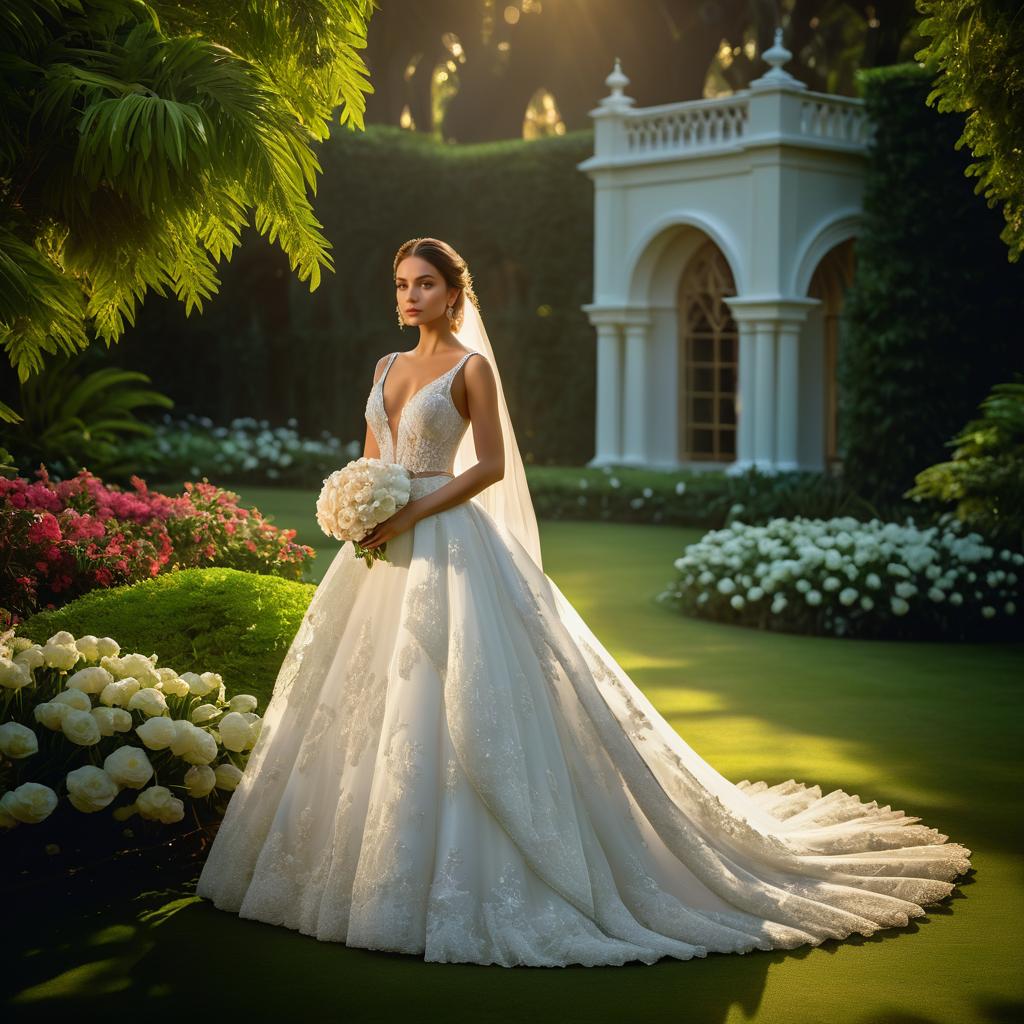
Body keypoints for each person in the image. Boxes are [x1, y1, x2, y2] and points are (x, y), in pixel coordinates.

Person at [194, 237, 972, 967]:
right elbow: (371, 457)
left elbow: (491, 467)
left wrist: (409, 511)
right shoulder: (384, 363)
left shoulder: (470, 369)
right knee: (363, 699)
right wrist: (362, 509)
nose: (410, 295)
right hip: (379, 550)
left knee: (463, 689)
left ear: (452, 291)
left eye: (424, 283)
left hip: (447, 539)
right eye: (401, 285)